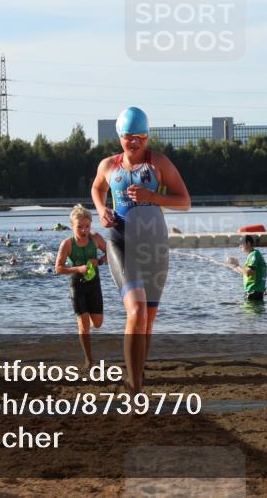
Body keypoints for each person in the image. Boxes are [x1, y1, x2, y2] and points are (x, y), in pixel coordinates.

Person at [91, 106, 191, 393]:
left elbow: (184, 201)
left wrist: (152, 197)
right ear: (120, 136)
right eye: (129, 136)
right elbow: (97, 189)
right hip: (121, 241)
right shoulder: (108, 165)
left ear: (147, 137)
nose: (135, 142)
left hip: (154, 246)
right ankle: (135, 388)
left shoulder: (158, 163)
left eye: (141, 137)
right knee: (135, 311)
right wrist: (101, 210)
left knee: (147, 321)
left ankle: (136, 375)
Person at [55, 204, 108, 369]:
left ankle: (85, 324)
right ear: (72, 226)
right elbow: (58, 268)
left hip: (94, 284)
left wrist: (99, 261)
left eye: (87, 226)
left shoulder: (96, 239)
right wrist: (78, 269)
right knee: (84, 325)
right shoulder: (67, 244)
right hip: (77, 285)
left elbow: (112, 254)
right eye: (80, 227)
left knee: (97, 323)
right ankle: (89, 359)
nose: (84, 230)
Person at [228, 235, 267, 301]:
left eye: (241, 244)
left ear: (248, 243)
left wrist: (237, 265)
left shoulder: (254, 254)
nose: (239, 246)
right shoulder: (253, 255)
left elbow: (248, 272)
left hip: (253, 292)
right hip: (254, 292)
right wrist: (235, 265)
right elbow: (245, 272)